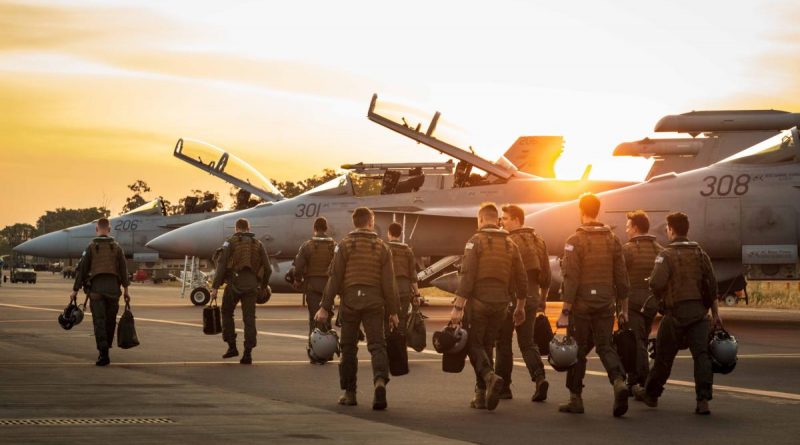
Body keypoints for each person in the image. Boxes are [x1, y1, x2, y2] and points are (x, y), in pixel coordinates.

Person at [633, 212, 721, 415]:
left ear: (671, 229)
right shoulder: (700, 252)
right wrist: (715, 314)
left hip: (675, 315)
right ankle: (703, 401)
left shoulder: (666, 255)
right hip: (700, 315)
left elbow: (656, 283)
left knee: (663, 358)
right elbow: (712, 285)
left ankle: (651, 394)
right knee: (702, 356)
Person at [314, 207, 400, 410]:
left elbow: (335, 278)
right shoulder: (382, 247)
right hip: (374, 301)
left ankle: (349, 393)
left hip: (350, 301)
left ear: (354, 223)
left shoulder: (344, 245)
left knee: (348, 348)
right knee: (377, 345)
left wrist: (325, 307)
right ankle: (379, 381)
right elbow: (390, 283)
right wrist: (394, 311)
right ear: (371, 222)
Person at [556, 193, 630, 417]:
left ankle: (575, 398)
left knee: (577, 350)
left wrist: (565, 310)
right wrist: (623, 309)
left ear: (581, 211)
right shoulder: (613, 239)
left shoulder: (574, 241)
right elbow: (622, 278)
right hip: (606, 304)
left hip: (581, 305)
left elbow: (571, 278)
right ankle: (618, 381)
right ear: (598, 211)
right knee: (605, 346)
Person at [450, 203, 528, 412]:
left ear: (481, 219)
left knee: (474, 345)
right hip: (502, 305)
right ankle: (481, 395)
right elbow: (522, 277)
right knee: (488, 346)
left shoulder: (475, 241)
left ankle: (488, 377)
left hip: (479, 303)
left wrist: (458, 307)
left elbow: (467, 276)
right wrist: (520, 306)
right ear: (497, 220)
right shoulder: (511, 243)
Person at [495, 204, 550, 402]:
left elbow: (504, 273)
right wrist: (542, 301)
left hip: (512, 299)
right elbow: (547, 275)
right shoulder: (539, 240)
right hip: (533, 298)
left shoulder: (508, 241)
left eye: (506, 218)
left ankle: (503, 387)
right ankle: (539, 378)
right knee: (527, 342)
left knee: (503, 342)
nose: (502, 222)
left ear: (517, 220)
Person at [69, 217, 130, 366]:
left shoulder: (90, 247)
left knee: (99, 322)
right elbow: (123, 270)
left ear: (97, 229)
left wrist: (75, 291)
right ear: (109, 229)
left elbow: (82, 270)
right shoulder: (117, 248)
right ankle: (106, 348)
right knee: (110, 321)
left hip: (96, 290)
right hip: (114, 291)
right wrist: (126, 291)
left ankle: (103, 354)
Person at [211, 218, 271, 365]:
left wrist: (215, 287)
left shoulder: (230, 242)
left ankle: (232, 346)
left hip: (234, 284)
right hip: (252, 286)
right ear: (248, 228)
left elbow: (221, 265)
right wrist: (262, 286)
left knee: (226, 312)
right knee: (249, 319)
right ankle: (248, 354)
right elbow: (268, 268)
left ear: (236, 228)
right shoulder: (258, 244)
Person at [622, 210, 663, 393]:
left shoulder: (628, 250)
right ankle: (633, 380)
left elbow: (620, 278)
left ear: (636, 228)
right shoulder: (659, 250)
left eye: (628, 227)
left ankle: (643, 381)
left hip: (632, 302)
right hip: (652, 302)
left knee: (635, 341)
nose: (626, 230)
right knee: (642, 340)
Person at [293, 217, 336, 340]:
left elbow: (299, 266)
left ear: (314, 229)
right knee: (327, 318)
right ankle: (329, 349)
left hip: (312, 286)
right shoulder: (334, 245)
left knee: (314, 319)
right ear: (326, 228)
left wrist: (297, 279)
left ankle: (315, 350)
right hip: (329, 288)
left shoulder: (307, 245)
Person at [386, 222, 420, 332]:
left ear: (389, 233)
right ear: (400, 234)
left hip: (388, 290)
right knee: (402, 321)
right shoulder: (408, 251)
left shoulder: (384, 249)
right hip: (404, 290)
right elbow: (413, 275)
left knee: (385, 320)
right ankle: (400, 344)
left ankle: (387, 345)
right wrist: (417, 294)